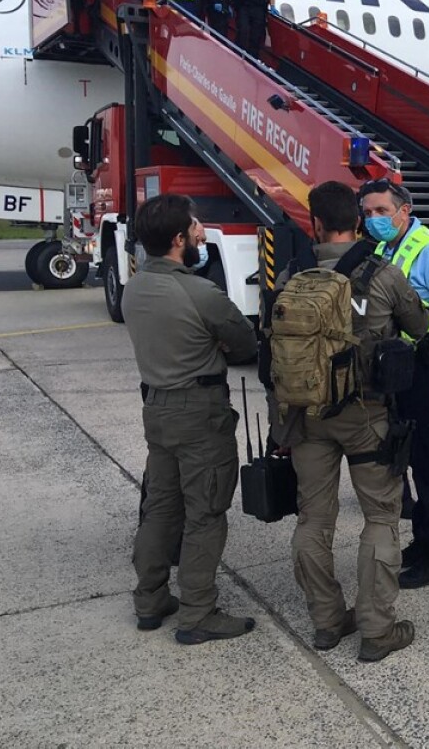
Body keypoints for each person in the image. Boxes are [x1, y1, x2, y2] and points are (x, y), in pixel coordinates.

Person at [266, 181, 429, 662]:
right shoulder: (383, 273)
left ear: (314, 224)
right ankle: (377, 630)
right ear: (358, 223)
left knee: (313, 519)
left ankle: (326, 621)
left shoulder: (291, 275)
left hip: (308, 417)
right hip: (367, 416)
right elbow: (419, 327)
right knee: (380, 517)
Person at [121, 194, 258, 644]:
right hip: (199, 414)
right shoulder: (200, 292)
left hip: (156, 409)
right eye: (196, 227)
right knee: (205, 512)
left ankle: (150, 599)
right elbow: (243, 344)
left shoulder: (135, 287)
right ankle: (198, 613)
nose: (202, 233)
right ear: (179, 239)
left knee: (160, 508)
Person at [360, 179, 429, 589]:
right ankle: (424, 541)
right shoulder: (381, 248)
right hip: (401, 370)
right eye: (368, 213)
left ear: (404, 211)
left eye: (382, 212)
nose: (374, 220)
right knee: (410, 456)